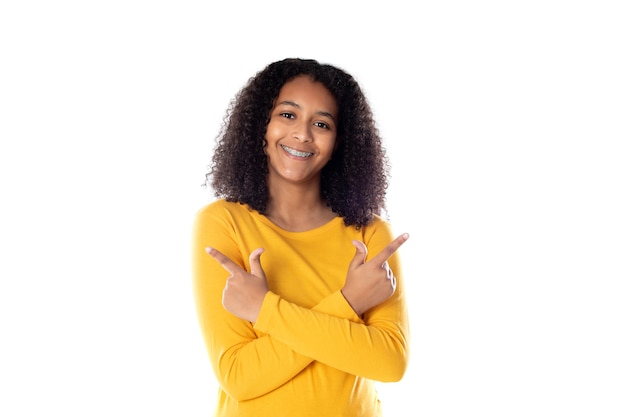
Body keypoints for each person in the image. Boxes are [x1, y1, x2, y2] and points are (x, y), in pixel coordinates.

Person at [192, 57, 410, 417]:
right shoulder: (223, 223)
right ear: (261, 124)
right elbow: (239, 376)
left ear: (340, 141)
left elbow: (389, 363)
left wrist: (265, 310)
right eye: (288, 115)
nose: (303, 134)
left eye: (321, 123)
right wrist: (349, 302)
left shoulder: (370, 233)